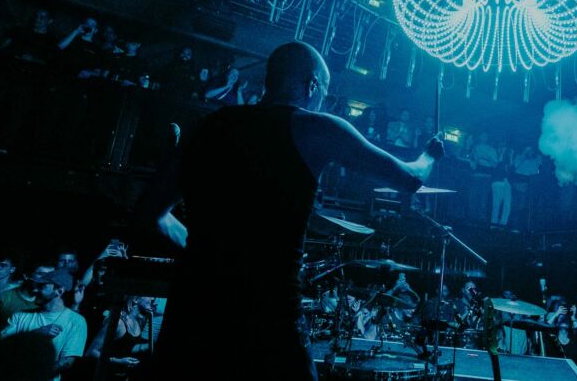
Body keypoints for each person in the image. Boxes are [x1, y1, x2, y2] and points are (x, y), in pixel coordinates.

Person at [143, 41, 444, 380]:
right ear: (312, 85)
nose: (322, 101)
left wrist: (206, 251)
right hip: (267, 316)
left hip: (192, 311)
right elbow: (410, 178)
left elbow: (151, 214)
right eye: (324, 91)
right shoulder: (315, 127)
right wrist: (429, 155)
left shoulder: (206, 126)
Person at [0, 270, 88, 381]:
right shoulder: (20, 316)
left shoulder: (76, 321)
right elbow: (1, 348)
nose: (35, 290)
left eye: (42, 286)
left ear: (59, 291)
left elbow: (66, 362)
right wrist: (37, 334)